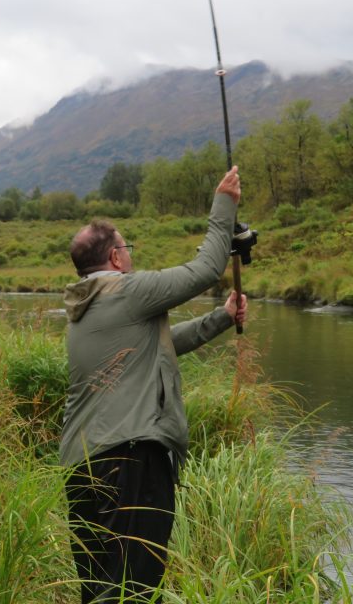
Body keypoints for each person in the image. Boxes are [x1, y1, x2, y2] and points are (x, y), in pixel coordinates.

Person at [60, 164, 248, 603]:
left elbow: (159, 346)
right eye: (127, 246)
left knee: (100, 588)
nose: (130, 254)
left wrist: (220, 318)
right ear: (114, 258)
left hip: (81, 466)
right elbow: (204, 268)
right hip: (130, 460)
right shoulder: (127, 291)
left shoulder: (85, 308)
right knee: (135, 589)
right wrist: (225, 204)